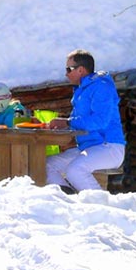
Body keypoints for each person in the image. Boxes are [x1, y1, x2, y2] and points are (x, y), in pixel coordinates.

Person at [46, 49, 126, 191]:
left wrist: (68, 122)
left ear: (81, 70)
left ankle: (101, 208)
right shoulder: (81, 90)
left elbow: (100, 121)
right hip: (88, 147)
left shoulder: (101, 87)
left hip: (109, 146)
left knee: (75, 170)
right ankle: (68, 203)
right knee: (47, 165)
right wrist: (62, 125)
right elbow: (79, 121)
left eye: (68, 69)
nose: (66, 74)